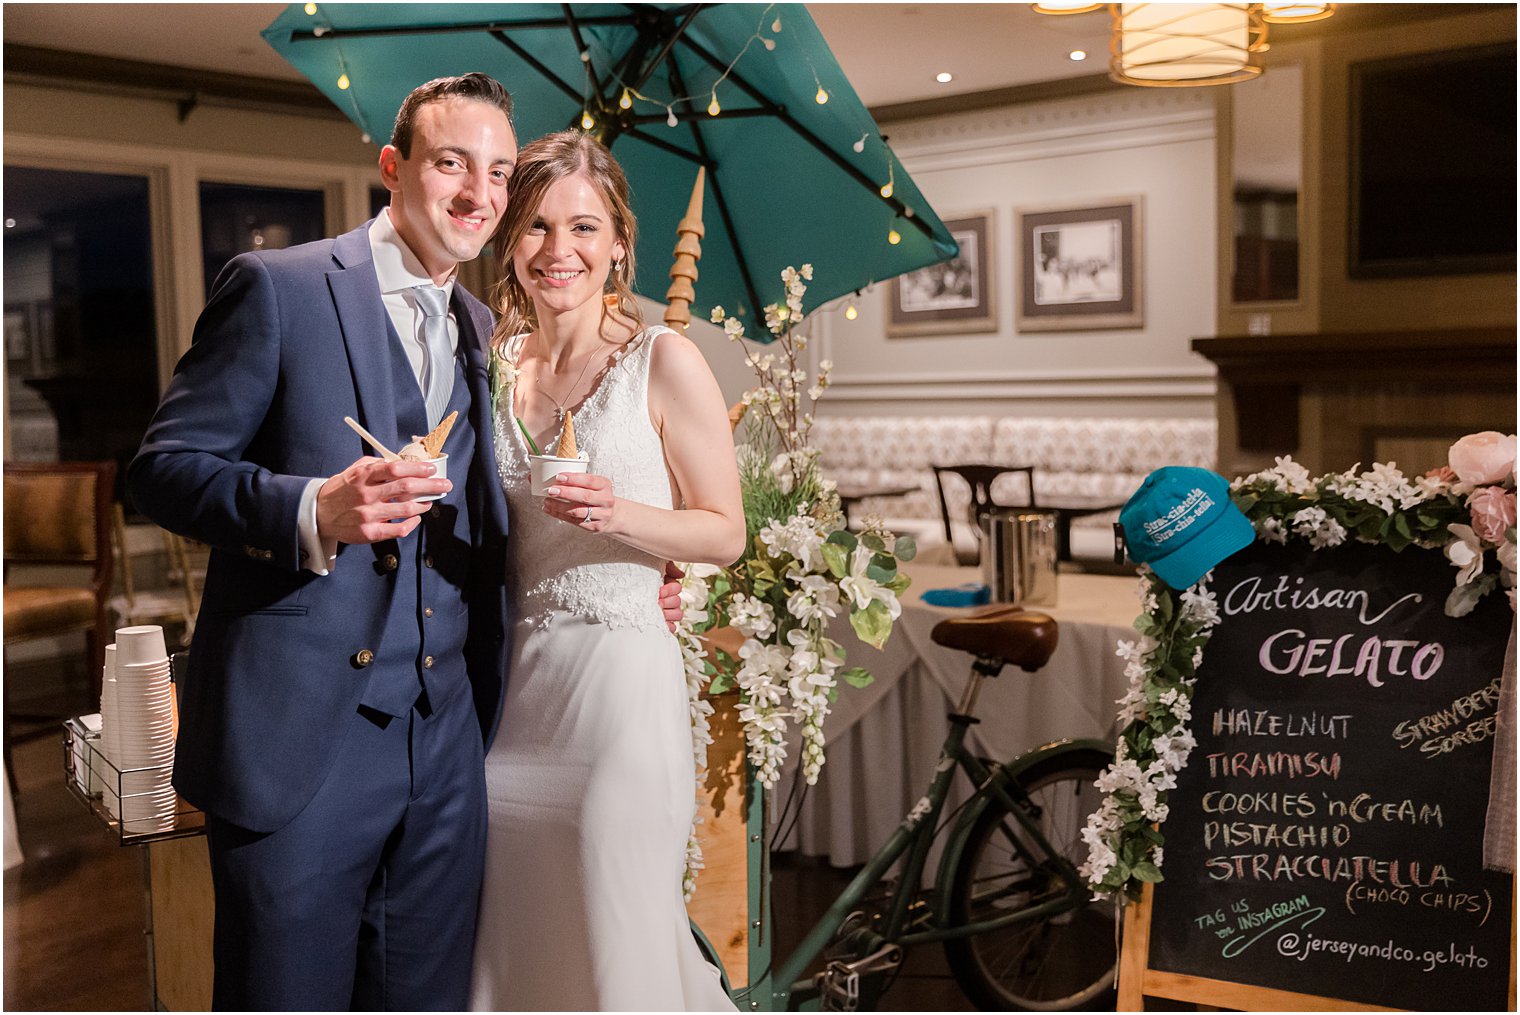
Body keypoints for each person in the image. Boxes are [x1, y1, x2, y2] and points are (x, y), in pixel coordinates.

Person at [128, 76, 681, 1010]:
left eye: (500, 173)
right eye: (452, 163)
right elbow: (161, 468)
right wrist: (311, 508)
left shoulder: (485, 336)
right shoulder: (281, 288)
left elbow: (509, 522)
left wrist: (646, 571)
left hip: (452, 758)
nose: (479, 193)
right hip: (300, 752)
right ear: (394, 168)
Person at [468, 130, 745, 1011]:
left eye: (584, 228)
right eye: (538, 227)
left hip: (622, 691)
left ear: (621, 241)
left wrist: (620, 516)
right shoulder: (490, 372)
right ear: (510, 241)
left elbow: (726, 531)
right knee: (519, 936)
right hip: (514, 698)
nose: (561, 251)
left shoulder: (666, 359)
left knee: (616, 929)